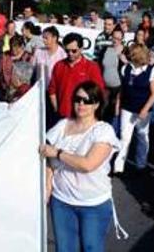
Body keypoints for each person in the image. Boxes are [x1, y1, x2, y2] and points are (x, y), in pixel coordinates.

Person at [39, 81, 123, 252]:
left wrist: (58, 153)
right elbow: (46, 156)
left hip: (93, 204)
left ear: (96, 104)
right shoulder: (62, 125)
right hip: (61, 200)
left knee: (91, 248)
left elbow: (88, 164)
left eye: (87, 100)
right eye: (78, 99)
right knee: (64, 249)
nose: (81, 104)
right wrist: (48, 183)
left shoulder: (103, 131)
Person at [114, 43, 154, 174]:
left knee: (142, 135)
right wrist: (118, 105)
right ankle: (118, 167)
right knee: (124, 136)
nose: (128, 55)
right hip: (127, 107)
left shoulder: (152, 71)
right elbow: (122, 90)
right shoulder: (126, 69)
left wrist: (145, 109)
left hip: (143, 110)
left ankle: (141, 164)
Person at [48, 33, 106, 120]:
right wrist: (57, 109)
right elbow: (52, 90)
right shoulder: (59, 65)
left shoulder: (92, 67)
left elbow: (98, 92)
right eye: (67, 51)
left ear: (81, 49)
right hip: (62, 116)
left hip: (84, 117)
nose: (70, 53)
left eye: (74, 51)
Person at [101, 27, 127, 128]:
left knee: (115, 114)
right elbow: (100, 65)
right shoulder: (106, 49)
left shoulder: (125, 51)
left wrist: (124, 61)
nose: (116, 40)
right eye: (114, 38)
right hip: (105, 87)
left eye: (119, 39)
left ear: (122, 39)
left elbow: (132, 68)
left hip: (119, 88)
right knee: (103, 112)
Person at [0, 35, 34, 101]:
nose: (14, 50)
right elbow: (1, 72)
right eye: (12, 47)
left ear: (22, 46)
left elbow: (30, 75)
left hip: (23, 92)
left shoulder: (28, 57)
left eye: (16, 47)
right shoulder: (5, 56)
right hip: (7, 90)